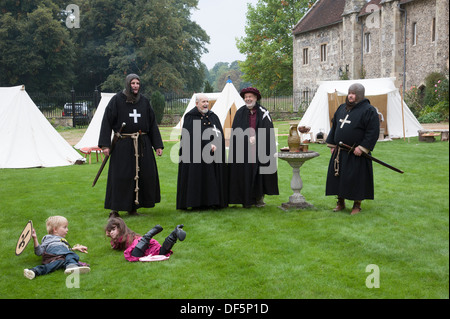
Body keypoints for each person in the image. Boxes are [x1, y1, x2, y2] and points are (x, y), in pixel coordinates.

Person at [98, 74, 164, 218]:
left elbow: (152, 124)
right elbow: (106, 122)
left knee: (141, 175)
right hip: (123, 144)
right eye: (133, 83)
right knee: (121, 176)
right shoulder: (116, 100)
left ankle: (133, 207)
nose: (135, 86)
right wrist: (105, 145)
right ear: (128, 84)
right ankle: (115, 209)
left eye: (138, 83)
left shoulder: (144, 102)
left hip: (142, 143)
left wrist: (157, 145)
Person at [325, 83, 380, 215]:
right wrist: (332, 144)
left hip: (356, 153)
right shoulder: (342, 108)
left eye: (354, 93)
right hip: (340, 152)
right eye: (350, 92)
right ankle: (340, 202)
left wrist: (362, 148)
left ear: (360, 95)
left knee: (357, 179)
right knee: (338, 178)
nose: (350, 95)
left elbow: (372, 132)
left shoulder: (369, 110)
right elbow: (335, 126)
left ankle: (357, 205)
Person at [228, 87, 279, 208]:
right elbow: (236, 132)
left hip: (260, 149)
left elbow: (268, 131)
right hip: (245, 150)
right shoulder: (240, 113)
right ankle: (246, 199)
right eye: (246, 97)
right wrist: (246, 138)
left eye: (250, 96)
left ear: (256, 98)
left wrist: (257, 138)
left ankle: (259, 198)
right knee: (245, 173)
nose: (248, 99)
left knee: (260, 173)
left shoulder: (263, 112)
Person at [176, 94, 228, 210]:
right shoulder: (190, 117)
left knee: (212, 177)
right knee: (198, 178)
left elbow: (219, 133)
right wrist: (206, 145)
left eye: (207, 102)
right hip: (196, 156)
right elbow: (190, 137)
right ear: (196, 103)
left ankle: (213, 201)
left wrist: (216, 143)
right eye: (203, 102)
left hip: (214, 155)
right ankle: (197, 202)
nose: (205, 104)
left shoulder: (213, 116)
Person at [23, 216, 90, 280]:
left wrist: (75, 248)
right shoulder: (49, 238)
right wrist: (35, 238)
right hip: (52, 252)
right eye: (65, 227)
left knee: (57, 263)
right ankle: (72, 265)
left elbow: (63, 251)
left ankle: (34, 271)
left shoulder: (61, 241)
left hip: (56, 258)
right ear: (55, 229)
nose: (67, 230)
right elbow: (39, 252)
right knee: (71, 255)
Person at [105, 217, 186, 262]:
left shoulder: (126, 237)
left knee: (133, 255)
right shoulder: (120, 239)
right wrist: (109, 234)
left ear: (120, 228)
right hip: (146, 244)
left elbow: (115, 245)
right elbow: (114, 244)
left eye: (113, 230)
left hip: (141, 243)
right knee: (162, 252)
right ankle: (174, 234)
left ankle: (148, 235)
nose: (111, 233)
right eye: (110, 231)